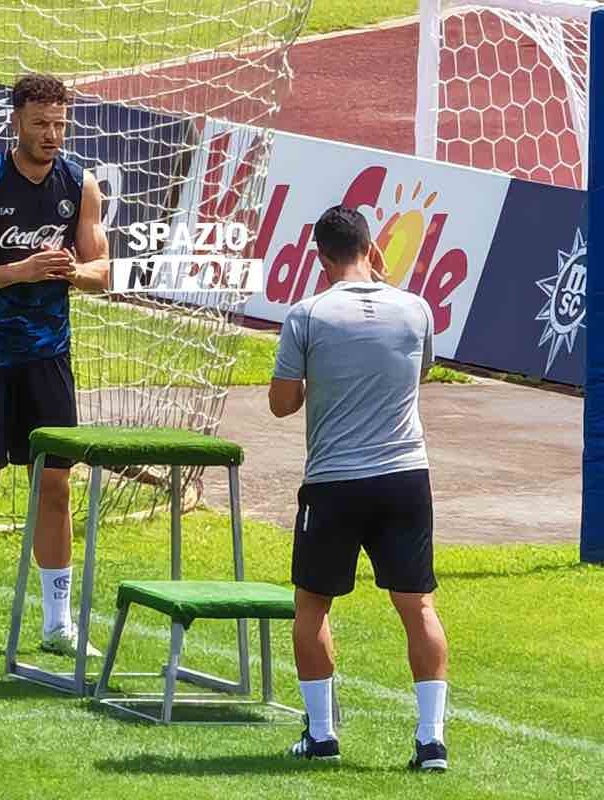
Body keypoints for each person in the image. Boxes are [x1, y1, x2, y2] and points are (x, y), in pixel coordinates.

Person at [269, 206, 449, 771]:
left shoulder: (307, 315)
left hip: (334, 482)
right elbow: (417, 376)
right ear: (373, 249)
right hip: (405, 477)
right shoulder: (416, 309)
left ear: (319, 258)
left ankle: (321, 736)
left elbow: (281, 403)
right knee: (417, 605)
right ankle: (431, 741)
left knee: (312, 604)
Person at [0, 73, 109, 659]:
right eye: (41, 124)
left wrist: (71, 272)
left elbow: (102, 270)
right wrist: (20, 270)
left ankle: (57, 623)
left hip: (48, 359)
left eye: (60, 124)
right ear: (16, 121)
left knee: (56, 488)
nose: (52, 135)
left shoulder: (80, 185)